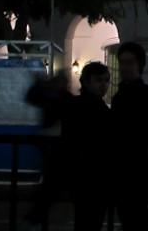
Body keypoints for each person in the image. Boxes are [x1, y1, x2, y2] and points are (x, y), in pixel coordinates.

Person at [109, 41, 148, 231]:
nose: (125, 68)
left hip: (141, 172)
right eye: (123, 63)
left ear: (140, 65)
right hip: (125, 172)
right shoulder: (121, 97)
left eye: (130, 63)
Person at [62, 61, 115, 230]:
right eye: (99, 80)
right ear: (86, 82)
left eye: (106, 80)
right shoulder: (96, 108)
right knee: (92, 219)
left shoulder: (76, 105)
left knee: (86, 219)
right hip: (93, 173)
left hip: (81, 172)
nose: (104, 84)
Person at [23, 68, 74, 224]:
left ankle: (37, 211)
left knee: (53, 179)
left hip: (54, 140)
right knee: (54, 179)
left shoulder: (59, 97)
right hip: (54, 141)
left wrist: (39, 85)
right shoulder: (61, 97)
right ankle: (38, 212)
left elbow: (31, 98)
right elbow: (31, 98)